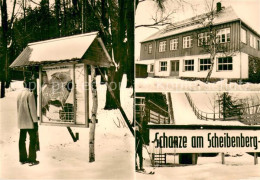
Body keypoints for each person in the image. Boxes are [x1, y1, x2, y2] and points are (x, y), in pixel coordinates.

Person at [17, 80, 39, 166]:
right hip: (29, 121)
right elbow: (33, 110)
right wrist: (35, 121)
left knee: (22, 140)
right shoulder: (30, 94)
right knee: (33, 139)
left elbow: (18, 108)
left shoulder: (19, 94)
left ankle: (22, 158)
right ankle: (32, 158)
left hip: (21, 120)